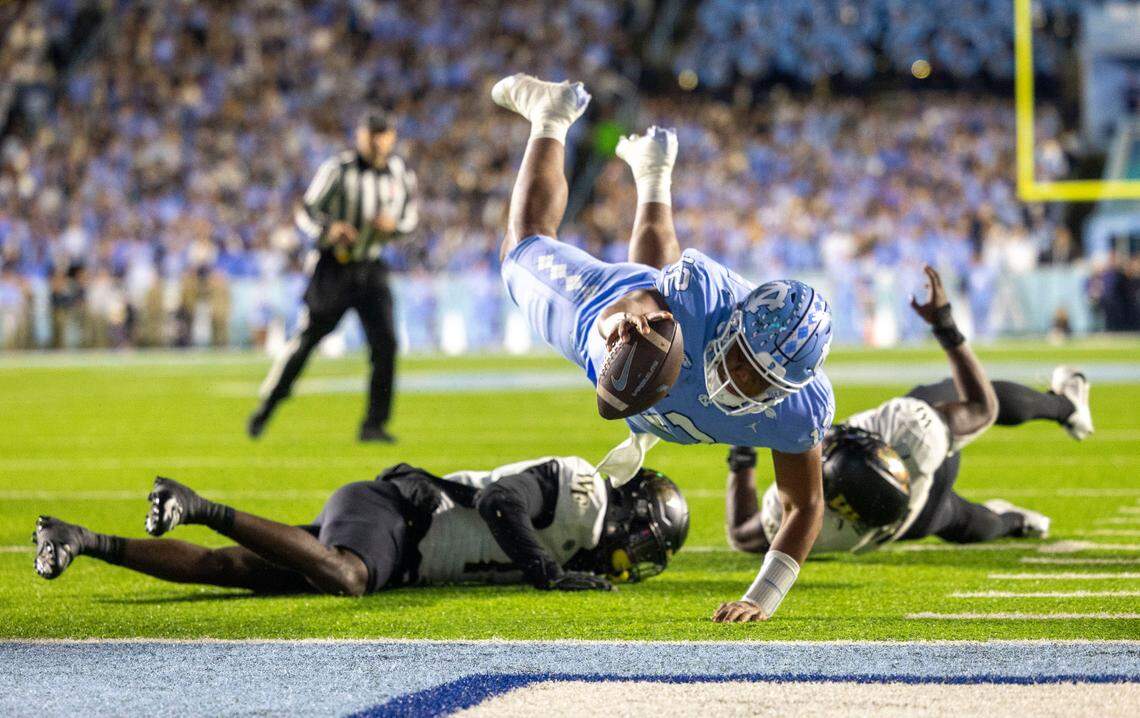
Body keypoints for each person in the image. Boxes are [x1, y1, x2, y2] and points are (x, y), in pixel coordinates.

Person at [490, 74, 833, 623]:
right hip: (606, 316)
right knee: (521, 246)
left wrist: (760, 599)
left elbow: (804, 505)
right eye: (743, 362)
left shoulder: (799, 410)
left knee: (662, 293)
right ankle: (550, 116)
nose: (742, 383)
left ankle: (652, 174)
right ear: (735, 327)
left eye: (761, 382)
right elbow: (642, 292)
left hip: (670, 329)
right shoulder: (701, 298)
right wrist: (620, 332)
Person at [725, 269, 1094, 557]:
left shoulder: (801, 522)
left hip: (910, 520)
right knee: (973, 400)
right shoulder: (908, 435)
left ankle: (1016, 521)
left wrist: (742, 454)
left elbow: (743, 534)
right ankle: (1066, 406)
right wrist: (944, 325)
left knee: (961, 521)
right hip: (908, 491)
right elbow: (984, 407)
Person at [32, 458, 688, 595]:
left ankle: (81, 540)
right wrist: (547, 573)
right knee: (345, 577)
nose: (634, 555)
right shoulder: (578, 490)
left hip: (401, 545)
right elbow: (496, 505)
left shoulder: (586, 523)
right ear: (630, 512)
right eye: (645, 541)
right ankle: (199, 504)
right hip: (394, 512)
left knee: (233, 572)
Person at [249, 110, 419, 443]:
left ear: (391, 137)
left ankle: (374, 424)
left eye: (382, 134)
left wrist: (394, 228)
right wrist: (329, 230)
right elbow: (306, 211)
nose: (376, 141)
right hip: (334, 266)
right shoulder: (337, 170)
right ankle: (268, 405)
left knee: (386, 345)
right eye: (370, 134)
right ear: (360, 136)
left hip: (371, 266)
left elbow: (410, 219)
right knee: (308, 338)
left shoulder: (400, 174)